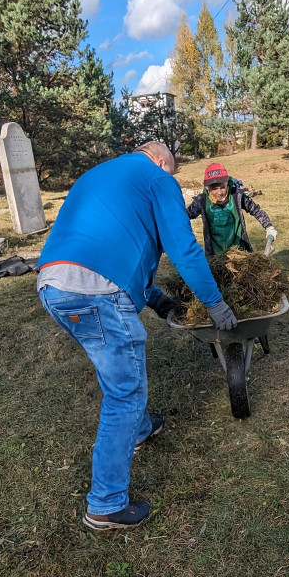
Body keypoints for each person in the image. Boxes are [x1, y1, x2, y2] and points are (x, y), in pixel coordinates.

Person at [36, 141, 237, 531]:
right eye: (172, 169)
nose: (170, 176)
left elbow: (120, 247)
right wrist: (214, 303)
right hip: (96, 289)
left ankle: (141, 427)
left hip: (53, 285)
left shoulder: (102, 173)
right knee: (125, 392)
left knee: (111, 362)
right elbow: (183, 248)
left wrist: (157, 300)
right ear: (162, 162)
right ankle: (106, 503)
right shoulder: (158, 179)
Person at [186, 162, 277, 257]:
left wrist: (269, 226)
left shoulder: (237, 197)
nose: (219, 192)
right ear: (207, 187)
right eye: (215, 189)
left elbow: (256, 210)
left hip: (240, 252)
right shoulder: (202, 201)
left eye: (222, 187)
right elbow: (185, 216)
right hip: (215, 256)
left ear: (227, 183)